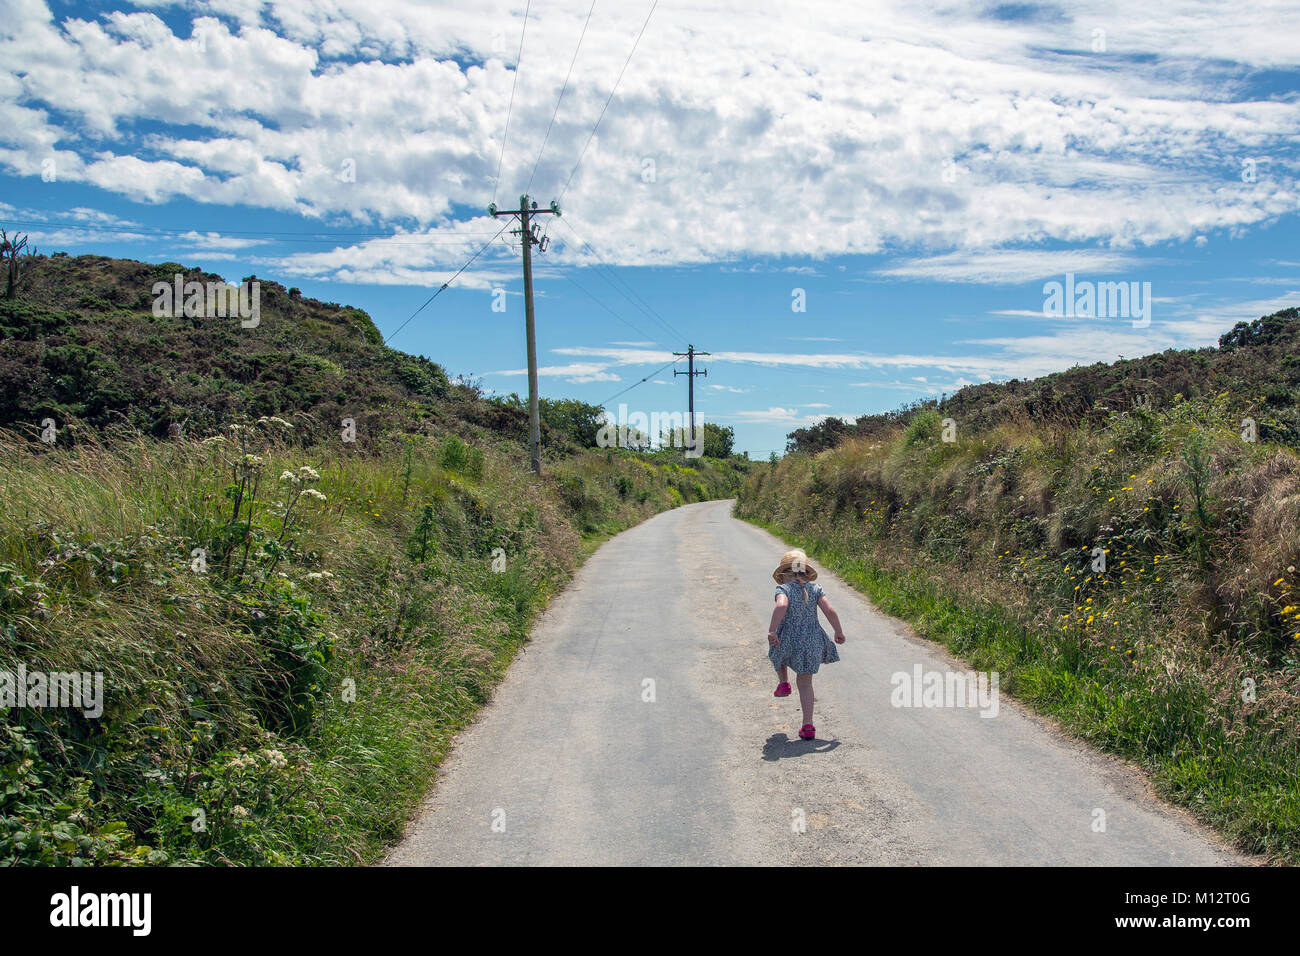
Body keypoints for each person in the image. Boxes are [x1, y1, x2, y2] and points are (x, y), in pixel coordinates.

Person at [767, 549, 846, 740]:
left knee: (777, 651)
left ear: (785, 574)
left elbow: (782, 606)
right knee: (805, 683)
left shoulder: (784, 590)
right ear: (805, 573)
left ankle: (783, 682)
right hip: (811, 641)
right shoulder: (815, 589)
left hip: (788, 638)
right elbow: (830, 610)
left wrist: (772, 629)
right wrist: (838, 631)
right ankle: (808, 725)